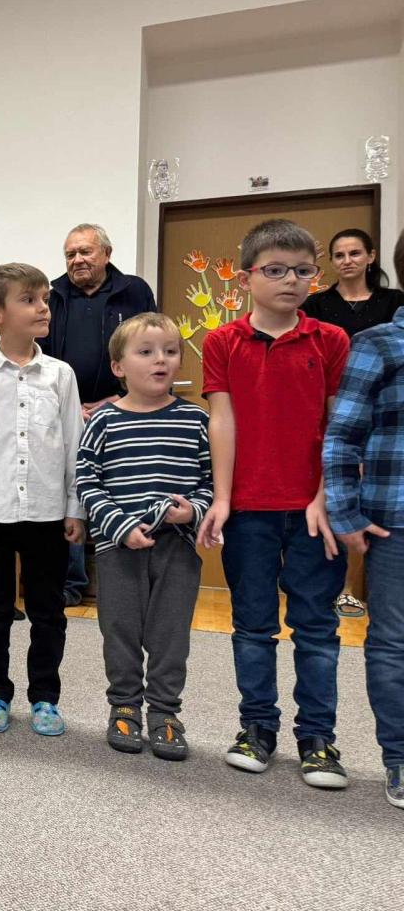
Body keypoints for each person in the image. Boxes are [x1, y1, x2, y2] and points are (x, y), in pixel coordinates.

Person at [198, 218, 351, 790]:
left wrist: (326, 494)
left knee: (316, 628)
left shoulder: (331, 340)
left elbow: (339, 426)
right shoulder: (223, 342)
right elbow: (222, 420)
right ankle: (257, 728)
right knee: (253, 626)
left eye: (304, 270)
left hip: (314, 511)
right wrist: (223, 497)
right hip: (249, 510)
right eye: (276, 270)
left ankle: (318, 739)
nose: (291, 280)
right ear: (246, 279)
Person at [0, 264, 85, 737]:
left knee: (49, 610)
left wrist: (75, 506)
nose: (43, 307)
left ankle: (45, 697)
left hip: (48, 512)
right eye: (29, 299)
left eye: (45, 298)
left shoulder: (60, 375)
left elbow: (73, 444)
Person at [75, 313, 213, 760]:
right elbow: (87, 481)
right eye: (147, 352)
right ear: (119, 366)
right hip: (119, 547)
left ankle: (165, 712)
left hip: (177, 546)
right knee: (120, 630)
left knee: (171, 634)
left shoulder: (195, 419)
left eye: (170, 351)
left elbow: (211, 482)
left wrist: (194, 510)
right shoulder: (103, 421)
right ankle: (124, 705)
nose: (161, 360)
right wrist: (119, 527)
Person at [40, 223, 156, 606]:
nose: (77, 260)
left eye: (85, 251)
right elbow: (41, 357)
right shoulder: (53, 296)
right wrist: (69, 405)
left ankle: (125, 584)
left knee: (121, 490)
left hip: (124, 410)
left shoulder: (134, 291)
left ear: (106, 253)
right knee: (68, 491)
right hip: (64, 412)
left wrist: (119, 398)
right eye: (70, 254)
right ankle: (69, 585)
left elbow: (151, 346)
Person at [322, 301, 404, 809]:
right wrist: (345, 512)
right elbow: (343, 436)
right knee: (394, 642)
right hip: (396, 517)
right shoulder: (379, 344)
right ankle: (400, 755)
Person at [302, 228, 403, 617]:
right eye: (339, 255)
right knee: (337, 493)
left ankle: (353, 588)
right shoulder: (316, 305)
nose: (347, 261)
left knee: (369, 498)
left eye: (355, 253)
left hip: (382, 421)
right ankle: (336, 585)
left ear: (371, 257)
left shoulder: (393, 302)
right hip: (334, 409)